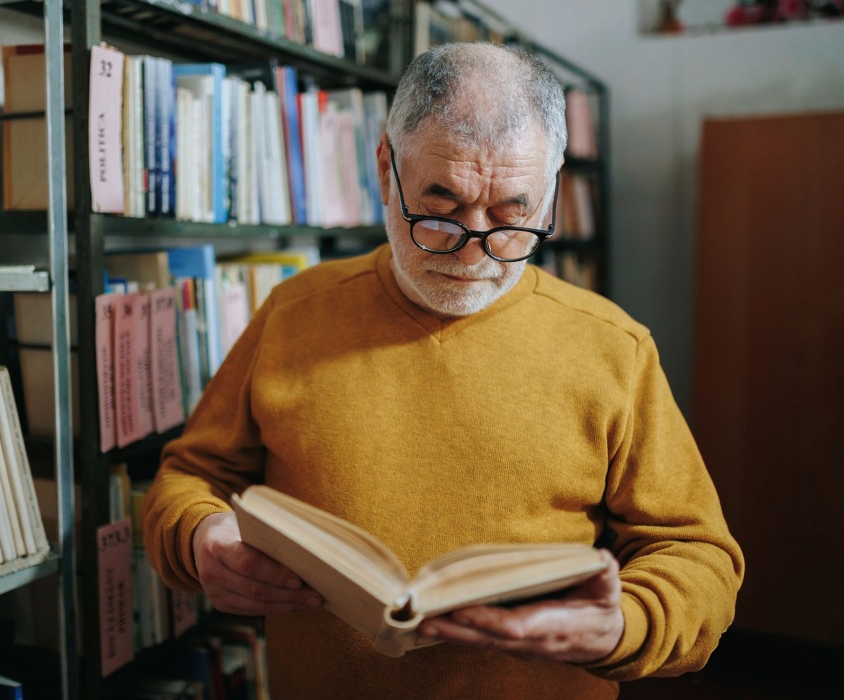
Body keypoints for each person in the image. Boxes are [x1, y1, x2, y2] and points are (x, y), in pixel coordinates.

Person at [144, 41, 744, 699]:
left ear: (551, 193)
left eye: (513, 216)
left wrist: (624, 625)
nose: (471, 252)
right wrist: (200, 537)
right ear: (384, 168)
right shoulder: (295, 313)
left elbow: (700, 557)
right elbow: (189, 478)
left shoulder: (615, 348)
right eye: (440, 209)